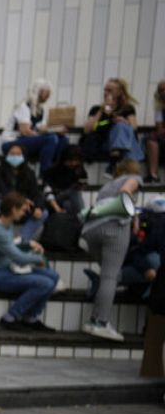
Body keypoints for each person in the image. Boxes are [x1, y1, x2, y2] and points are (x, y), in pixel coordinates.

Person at [81, 159, 143, 341]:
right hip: (114, 229)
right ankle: (100, 322)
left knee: (109, 276)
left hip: (91, 230)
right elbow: (125, 191)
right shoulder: (135, 178)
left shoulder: (106, 186)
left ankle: (94, 316)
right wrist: (134, 217)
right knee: (111, 277)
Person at [0, 192, 59, 332]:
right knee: (44, 283)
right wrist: (39, 259)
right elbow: (18, 258)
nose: (25, 213)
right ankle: (10, 317)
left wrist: (29, 244)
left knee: (53, 276)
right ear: (13, 209)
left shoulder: (7, 225)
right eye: (23, 210)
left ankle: (31, 317)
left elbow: (11, 245)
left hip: (8, 269)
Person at [0, 79, 70, 175]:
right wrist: (44, 136)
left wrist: (57, 130)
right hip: (12, 143)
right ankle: (46, 174)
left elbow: (41, 127)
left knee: (63, 139)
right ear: (39, 91)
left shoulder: (40, 109)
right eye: (47, 92)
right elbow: (25, 131)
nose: (49, 95)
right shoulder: (24, 106)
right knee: (50, 139)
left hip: (27, 142)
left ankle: (55, 170)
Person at [0, 144, 47, 242]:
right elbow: (1, 191)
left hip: (22, 207)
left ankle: (21, 240)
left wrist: (38, 207)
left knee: (43, 213)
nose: (14, 157)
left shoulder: (29, 173)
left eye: (18, 154)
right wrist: (20, 201)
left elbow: (36, 193)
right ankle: (4, 237)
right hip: (3, 203)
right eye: (12, 154)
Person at [82, 77, 143, 170]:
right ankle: (118, 161)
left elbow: (134, 128)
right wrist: (103, 111)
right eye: (105, 90)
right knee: (120, 127)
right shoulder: (96, 109)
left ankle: (114, 161)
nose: (106, 93)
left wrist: (124, 121)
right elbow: (87, 130)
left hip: (124, 144)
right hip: (105, 143)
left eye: (110, 90)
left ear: (119, 92)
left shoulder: (127, 108)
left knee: (121, 126)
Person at [42, 145, 88, 217]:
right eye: (70, 161)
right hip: (54, 201)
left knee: (68, 204)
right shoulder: (53, 171)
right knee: (74, 191)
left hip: (68, 201)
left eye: (76, 160)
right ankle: (84, 216)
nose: (73, 163)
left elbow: (83, 183)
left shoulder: (79, 169)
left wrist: (81, 185)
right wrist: (57, 208)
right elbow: (47, 192)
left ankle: (78, 221)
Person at [145, 80, 165, 182]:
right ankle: (153, 175)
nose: (163, 93)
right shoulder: (159, 107)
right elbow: (159, 128)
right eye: (160, 90)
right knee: (151, 139)